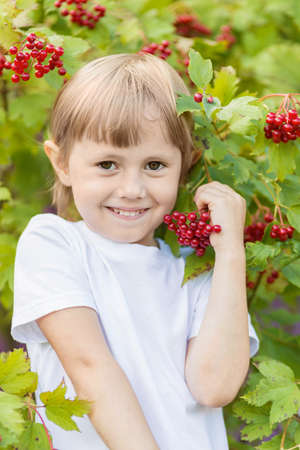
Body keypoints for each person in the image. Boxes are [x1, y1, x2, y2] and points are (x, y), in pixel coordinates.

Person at [11, 52, 260, 450]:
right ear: (62, 163)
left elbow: (214, 387)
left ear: (186, 166)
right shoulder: (55, 243)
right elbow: (90, 367)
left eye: (155, 165)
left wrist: (230, 251)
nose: (132, 188)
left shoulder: (195, 271)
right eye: (108, 164)